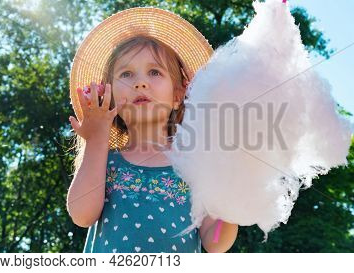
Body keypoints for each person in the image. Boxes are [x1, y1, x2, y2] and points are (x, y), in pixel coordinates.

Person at [66, 6, 238, 253]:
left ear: (179, 95)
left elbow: (216, 241)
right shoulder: (105, 160)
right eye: (126, 73)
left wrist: (235, 189)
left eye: (154, 71)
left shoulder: (195, 166)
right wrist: (96, 139)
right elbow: (82, 214)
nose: (140, 82)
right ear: (111, 96)